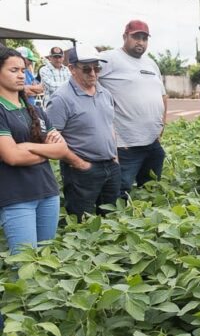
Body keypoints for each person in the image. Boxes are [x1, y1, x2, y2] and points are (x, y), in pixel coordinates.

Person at [0, 47, 70, 255]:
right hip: (17, 197)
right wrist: (47, 150)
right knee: (24, 266)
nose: (21, 75)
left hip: (48, 192)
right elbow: (12, 156)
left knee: (44, 262)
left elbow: (62, 149)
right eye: (14, 70)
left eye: (23, 70)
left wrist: (29, 146)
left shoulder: (35, 110)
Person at [48, 46, 120, 220]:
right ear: (71, 69)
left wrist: (115, 158)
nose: (93, 74)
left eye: (97, 68)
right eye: (87, 69)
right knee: (81, 222)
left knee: (111, 221)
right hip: (81, 170)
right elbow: (52, 139)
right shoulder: (61, 99)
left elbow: (109, 126)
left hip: (110, 166)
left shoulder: (105, 93)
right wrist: (79, 163)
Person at [98, 20, 167, 198]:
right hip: (125, 144)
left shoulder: (151, 64)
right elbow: (86, 81)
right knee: (119, 192)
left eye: (144, 38)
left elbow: (162, 95)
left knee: (150, 190)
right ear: (124, 37)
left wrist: (162, 124)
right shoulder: (109, 58)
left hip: (152, 142)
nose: (141, 42)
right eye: (136, 37)